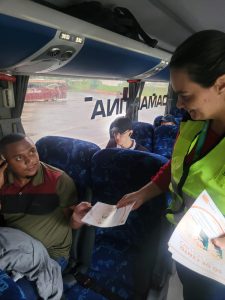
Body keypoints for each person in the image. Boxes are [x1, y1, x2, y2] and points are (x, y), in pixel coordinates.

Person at [117, 30, 225, 300]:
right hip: (187, 242)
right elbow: (180, 168)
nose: (178, 104)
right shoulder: (196, 123)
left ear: (221, 84)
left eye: (186, 95)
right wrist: (144, 191)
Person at [0, 133, 91, 266]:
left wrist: (77, 219)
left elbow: (72, 224)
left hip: (49, 256)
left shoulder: (58, 180)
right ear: (4, 161)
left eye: (32, 152)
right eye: (19, 158)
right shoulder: (3, 179)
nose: (30, 160)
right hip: (11, 249)